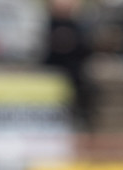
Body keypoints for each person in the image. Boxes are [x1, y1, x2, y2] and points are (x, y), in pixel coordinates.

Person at [43, 0, 95, 131]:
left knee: (87, 89)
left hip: (73, 70)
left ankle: (82, 118)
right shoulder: (46, 24)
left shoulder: (79, 25)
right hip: (50, 69)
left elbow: (86, 49)